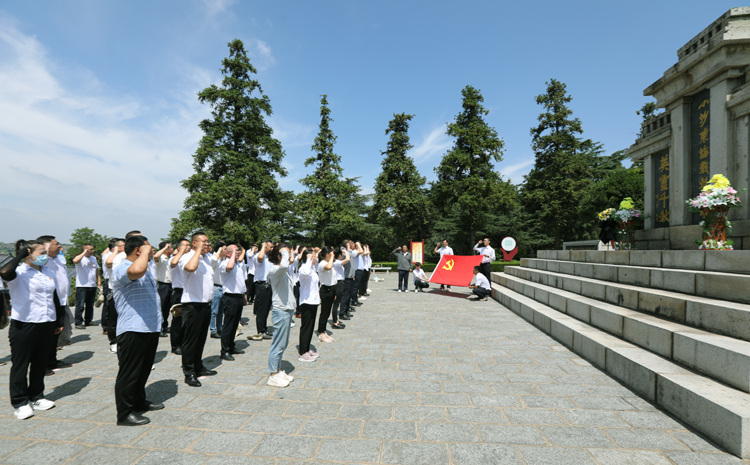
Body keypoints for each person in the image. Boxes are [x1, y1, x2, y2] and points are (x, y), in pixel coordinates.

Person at [0, 240, 64, 420]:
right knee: (21, 364)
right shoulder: (18, 272)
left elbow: (54, 297)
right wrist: (20, 255)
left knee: (40, 363)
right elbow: (4, 272)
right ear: (29, 253)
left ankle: (36, 396)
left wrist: (59, 320)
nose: (45, 254)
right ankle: (20, 402)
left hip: (47, 322)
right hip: (24, 324)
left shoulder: (48, 271)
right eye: (41, 251)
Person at [111, 235, 164, 426]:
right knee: (130, 372)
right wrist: (146, 252)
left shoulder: (146, 269)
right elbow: (136, 269)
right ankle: (124, 413)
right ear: (138, 251)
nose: (152, 252)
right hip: (133, 329)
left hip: (149, 327)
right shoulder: (121, 268)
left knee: (143, 370)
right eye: (148, 249)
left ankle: (139, 401)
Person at [179, 232, 217, 387]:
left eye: (208, 241)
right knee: (190, 341)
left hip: (205, 305)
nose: (208, 244)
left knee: (201, 339)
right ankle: (189, 373)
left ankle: (198, 366)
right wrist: (197, 252)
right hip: (192, 305)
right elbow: (190, 267)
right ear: (194, 243)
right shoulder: (187, 257)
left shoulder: (206, 259)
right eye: (204, 242)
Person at [36, 236, 72, 373]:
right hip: (49, 303)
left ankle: (51, 360)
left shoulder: (57, 260)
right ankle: (41, 365)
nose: (59, 247)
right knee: (46, 336)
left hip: (60, 301)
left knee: (56, 332)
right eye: (56, 244)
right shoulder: (43, 262)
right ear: (46, 247)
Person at [266, 244, 296, 387]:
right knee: (278, 344)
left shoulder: (283, 271)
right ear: (280, 256)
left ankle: (277, 370)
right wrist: (284, 251)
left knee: (282, 344)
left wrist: (286, 252)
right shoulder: (276, 270)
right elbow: (284, 265)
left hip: (287, 310)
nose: (289, 256)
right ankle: (272, 375)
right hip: (281, 311)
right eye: (286, 254)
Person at [218, 244, 247, 361]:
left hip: (239, 296)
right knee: (229, 324)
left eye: (239, 250)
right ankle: (224, 350)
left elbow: (242, 281)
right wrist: (233, 255)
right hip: (230, 297)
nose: (238, 252)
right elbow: (229, 267)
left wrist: (244, 295)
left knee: (235, 324)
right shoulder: (225, 263)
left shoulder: (239, 264)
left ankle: (231, 346)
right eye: (235, 251)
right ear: (228, 253)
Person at [298, 248, 321, 359]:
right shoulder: (304, 268)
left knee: (311, 327)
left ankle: (307, 348)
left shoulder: (312, 269)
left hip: (314, 301)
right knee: (306, 327)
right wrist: (308, 259)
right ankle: (303, 352)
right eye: (314, 256)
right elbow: (306, 272)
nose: (316, 258)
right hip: (307, 302)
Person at [104, 239, 126, 353]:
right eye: (123, 245)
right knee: (113, 318)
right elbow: (108, 263)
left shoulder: (127, 256)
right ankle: (113, 342)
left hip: (125, 291)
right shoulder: (113, 257)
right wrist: (116, 251)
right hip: (114, 291)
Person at [250, 241, 274, 341]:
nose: (272, 249)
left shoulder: (268, 258)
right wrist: (263, 247)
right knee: (261, 310)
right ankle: (261, 331)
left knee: (266, 309)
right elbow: (260, 258)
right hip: (262, 285)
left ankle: (264, 328)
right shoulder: (258, 256)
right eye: (270, 247)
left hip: (269, 285)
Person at [169, 239, 190, 354]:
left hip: (188, 291)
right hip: (179, 291)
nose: (188, 247)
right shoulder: (174, 259)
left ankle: (184, 343)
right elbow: (173, 263)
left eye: (189, 245)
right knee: (178, 320)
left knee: (186, 320)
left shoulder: (189, 258)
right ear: (178, 248)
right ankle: (175, 345)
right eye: (185, 245)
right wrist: (181, 252)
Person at [73, 243, 100, 329]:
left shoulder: (93, 258)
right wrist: (84, 253)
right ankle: (78, 322)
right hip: (82, 285)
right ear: (85, 250)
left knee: (90, 305)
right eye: (91, 249)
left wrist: (98, 281)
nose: (93, 251)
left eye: (93, 249)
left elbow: (96, 270)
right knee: (80, 305)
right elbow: (75, 261)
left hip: (92, 285)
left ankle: (88, 320)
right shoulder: (80, 258)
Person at [315, 247, 336, 344]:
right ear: (327, 254)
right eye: (332, 253)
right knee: (324, 312)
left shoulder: (328, 263)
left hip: (331, 289)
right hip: (325, 290)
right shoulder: (322, 263)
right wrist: (331, 257)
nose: (334, 255)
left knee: (327, 312)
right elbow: (329, 267)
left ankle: (324, 331)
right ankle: (321, 332)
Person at [153, 242, 173, 338]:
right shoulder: (160, 258)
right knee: (161, 307)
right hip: (163, 285)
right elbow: (156, 256)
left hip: (170, 285)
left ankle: (164, 325)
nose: (172, 249)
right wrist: (165, 247)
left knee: (167, 308)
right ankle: (158, 327)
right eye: (170, 247)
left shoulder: (170, 258)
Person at [209, 242, 226, 340]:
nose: (225, 251)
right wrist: (219, 251)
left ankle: (219, 328)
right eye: (224, 249)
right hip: (216, 287)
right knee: (214, 311)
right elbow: (212, 261)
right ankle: (213, 330)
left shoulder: (224, 260)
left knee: (220, 311)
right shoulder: (213, 259)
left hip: (223, 288)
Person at [331, 247, 349, 330]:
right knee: (336, 304)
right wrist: (346, 251)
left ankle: (336, 320)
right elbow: (348, 259)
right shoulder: (337, 262)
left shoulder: (335, 262)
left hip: (339, 283)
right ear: (340, 255)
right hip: (338, 283)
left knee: (336, 303)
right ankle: (335, 322)